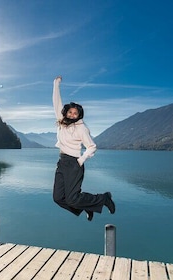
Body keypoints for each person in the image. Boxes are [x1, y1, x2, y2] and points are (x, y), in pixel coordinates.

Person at [52, 75, 115, 221]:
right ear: (66, 112)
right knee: (58, 198)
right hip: (62, 162)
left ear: (79, 115)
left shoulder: (82, 128)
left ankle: (104, 198)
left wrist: (81, 160)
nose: (72, 115)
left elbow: (92, 146)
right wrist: (56, 84)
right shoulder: (61, 122)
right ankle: (86, 207)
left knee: (72, 198)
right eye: (70, 112)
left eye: (76, 113)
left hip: (74, 163)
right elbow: (56, 102)